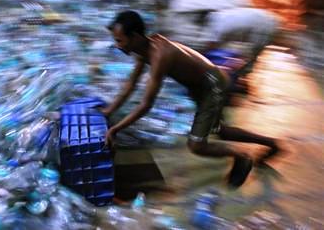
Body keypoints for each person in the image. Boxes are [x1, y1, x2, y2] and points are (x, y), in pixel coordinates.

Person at [102, 10, 280, 188]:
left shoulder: (160, 55)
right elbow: (130, 85)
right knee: (221, 130)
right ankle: (271, 143)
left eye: (119, 40)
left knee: (197, 145)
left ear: (134, 36)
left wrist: (115, 129)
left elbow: (146, 104)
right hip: (202, 86)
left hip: (212, 85)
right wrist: (108, 111)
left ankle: (242, 157)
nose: (117, 45)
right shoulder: (144, 48)